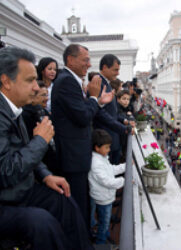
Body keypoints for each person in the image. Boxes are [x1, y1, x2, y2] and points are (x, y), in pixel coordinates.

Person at [0, 47, 92, 250]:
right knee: (41, 222)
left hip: (5, 193)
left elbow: (19, 149)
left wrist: (45, 175)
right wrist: (40, 141)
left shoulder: (5, 105)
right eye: (30, 80)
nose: (37, 87)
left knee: (64, 201)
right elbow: (3, 172)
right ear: (6, 81)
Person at [51, 44, 114, 227]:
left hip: (76, 155)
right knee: (78, 205)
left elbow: (81, 112)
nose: (89, 64)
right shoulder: (66, 82)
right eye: (85, 59)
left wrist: (98, 102)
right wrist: (94, 98)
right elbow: (83, 116)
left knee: (81, 203)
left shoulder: (69, 80)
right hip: (73, 157)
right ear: (70, 59)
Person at [88, 129, 125, 244]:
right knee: (104, 222)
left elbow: (111, 170)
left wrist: (125, 166)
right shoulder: (96, 163)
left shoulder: (100, 158)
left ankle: (105, 235)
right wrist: (124, 180)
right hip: (103, 199)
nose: (109, 150)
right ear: (97, 148)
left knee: (104, 221)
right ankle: (101, 241)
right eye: (107, 147)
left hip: (104, 197)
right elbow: (107, 181)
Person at [94, 54, 130, 165]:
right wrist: (122, 128)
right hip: (106, 137)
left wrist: (124, 121)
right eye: (115, 70)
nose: (118, 73)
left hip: (112, 136)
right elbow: (101, 113)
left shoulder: (106, 84)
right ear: (105, 67)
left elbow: (112, 112)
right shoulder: (99, 84)